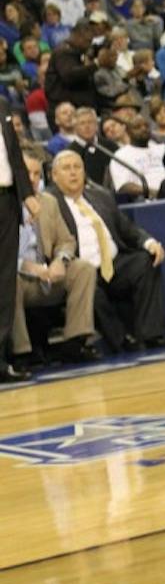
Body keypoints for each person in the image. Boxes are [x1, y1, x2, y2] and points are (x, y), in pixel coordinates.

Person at [37, 151, 165, 352]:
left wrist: (149, 242)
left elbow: (127, 228)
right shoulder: (48, 202)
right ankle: (122, 341)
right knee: (88, 283)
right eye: (66, 168)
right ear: (54, 176)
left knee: (146, 261)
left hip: (113, 262)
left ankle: (152, 334)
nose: (73, 173)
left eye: (77, 167)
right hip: (80, 267)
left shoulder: (101, 196)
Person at [11, 150, 100, 365]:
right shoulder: (4, 205)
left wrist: (60, 260)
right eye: (26, 174)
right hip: (18, 278)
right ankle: (21, 352)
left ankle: (75, 342)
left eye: (36, 174)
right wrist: (27, 266)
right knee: (6, 282)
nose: (32, 180)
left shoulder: (48, 201)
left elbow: (66, 241)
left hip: (48, 276)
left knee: (83, 269)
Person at [0, 95, 41, 380]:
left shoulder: (1, 105)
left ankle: (1, 362)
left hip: (6, 202)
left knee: (4, 284)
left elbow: (14, 155)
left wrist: (27, 194)